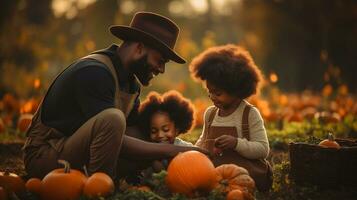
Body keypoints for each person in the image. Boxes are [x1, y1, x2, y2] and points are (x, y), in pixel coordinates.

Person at [22, 11, 206, 182]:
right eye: (160, 61)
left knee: (145, 132)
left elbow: (134, 133)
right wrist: (169, 150)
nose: (161, 69)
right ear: (139, 48)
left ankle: (141, 177)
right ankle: (100, 186)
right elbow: (114, 132)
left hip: (83, 151)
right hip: (46, 157)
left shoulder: (131, 83)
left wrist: (176, 150)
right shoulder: (94, 72)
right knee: (114, 119)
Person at [190, 44, 272, 192]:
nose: (212, 97)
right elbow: (203, 140)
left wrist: (236, 144)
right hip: (217, 179)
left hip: (243, 181)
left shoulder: (249, 114)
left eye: (218, 93)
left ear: (236, 90)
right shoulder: (210, 114)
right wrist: (195, 153)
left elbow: (262, 149)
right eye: (209, 92)